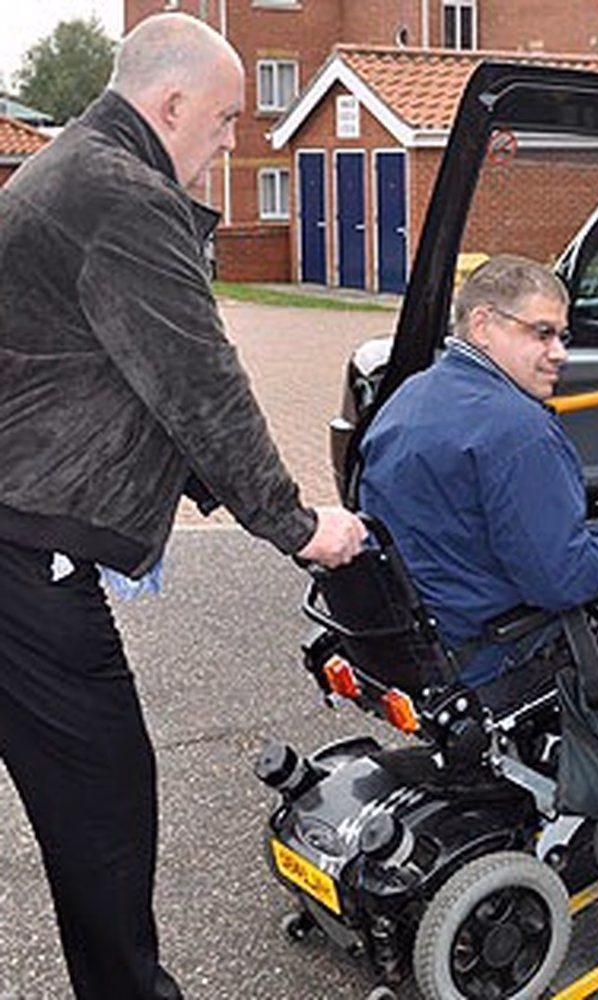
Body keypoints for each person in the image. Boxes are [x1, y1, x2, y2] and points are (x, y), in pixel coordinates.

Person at [0, 13, 365, 1000]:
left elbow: (128, 381)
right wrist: (298, 524)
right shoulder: (120, 194)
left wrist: (211, 486)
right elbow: (199, 381)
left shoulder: (79, 172)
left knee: (91, 801)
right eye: (227, 116)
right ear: (169, 105)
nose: (235, 138)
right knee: (104, 806)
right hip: (24, 555)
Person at [359, 253, 598, 693]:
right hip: (496, 655)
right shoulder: (518, 430)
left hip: (423, 641)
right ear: (482, 326)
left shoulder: (410, 395)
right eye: (542, 334)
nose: (560, 353)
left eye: (563, 336)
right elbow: (563, 582)